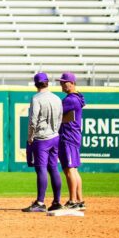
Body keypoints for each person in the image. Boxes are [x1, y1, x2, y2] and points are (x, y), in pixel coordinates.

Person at [23, 72, 64, 212]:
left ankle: (40, 203)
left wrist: (30, 137)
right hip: (55, 136)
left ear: (36, 84)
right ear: (47, 82)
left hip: (41, 138)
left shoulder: (36, 98)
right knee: (53, 169)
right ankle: (57, 202)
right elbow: (60, 118)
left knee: (41, 169)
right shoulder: (57, 98)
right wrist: (55, 132)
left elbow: (33, 121)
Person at [58, 72, 87, 210]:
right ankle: (80, 201)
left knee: (69, 169)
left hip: (68, 136)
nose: (62, 84)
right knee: (74, 169)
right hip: (73, 135)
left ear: (72, 83)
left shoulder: (70, 100)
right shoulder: (77, 97)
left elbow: (55, 113)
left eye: (64, 82)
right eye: (61, 82)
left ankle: (73, 201)